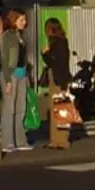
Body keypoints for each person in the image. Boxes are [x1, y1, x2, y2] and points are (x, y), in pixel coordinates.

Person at [0, 9, 32, 155]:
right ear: (14, 20)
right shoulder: (7, 36)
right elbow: (4, 59)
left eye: (24, 20)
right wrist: (7, 80)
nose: (24, 22)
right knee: (9, 109)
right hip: (11, 74)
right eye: (21, 20)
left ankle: (20, 140)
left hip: (22, 74)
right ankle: (7, 142)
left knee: (21, 108)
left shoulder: (21, 36)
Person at [41, 17, 71, 150]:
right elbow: (51, 62)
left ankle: (62, 140)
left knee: (61, 109)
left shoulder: (61, 42)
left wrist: (46, 54)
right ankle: (55, 140)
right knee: (54, 109)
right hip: (53, 76)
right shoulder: (54, 42)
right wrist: (45, 54)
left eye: (48, 29)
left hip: (59, 77)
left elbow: (61, 63)